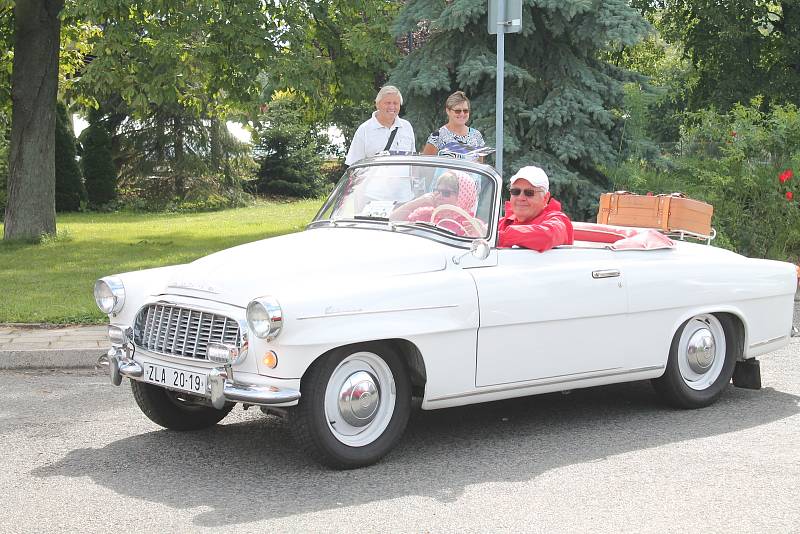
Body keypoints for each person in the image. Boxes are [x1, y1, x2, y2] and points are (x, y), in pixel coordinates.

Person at [497, 165, 574, 251]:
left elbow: (547, 236)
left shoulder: (559, 220)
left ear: (545, 198)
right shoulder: (502, 223)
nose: (521, 198)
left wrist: (501, 238)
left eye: (529, 192)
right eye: (515, 191)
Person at [390, 170, 485, 237]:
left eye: (446, 193)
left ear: (463, 197)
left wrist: (480, 234)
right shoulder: (425, 214)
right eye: (437, 191)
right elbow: (392, 220)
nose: (439, 196)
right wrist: (418, 202)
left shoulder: (471, 224)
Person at [345, 85, 416, 166]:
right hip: (374, 179)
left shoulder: (407, 127)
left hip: (403, 178)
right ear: (377, 104)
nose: (392, 107)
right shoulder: (364, 130)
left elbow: (412, 162)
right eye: (388, 103)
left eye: (395, 103)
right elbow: (354, 165)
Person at [422, 91, 485, 156]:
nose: (462, 114)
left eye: (465, 111)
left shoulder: (476, 136)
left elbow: (479, 164)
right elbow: (425, 164)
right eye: (457, 111)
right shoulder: (437, 137)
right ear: (448, 111)